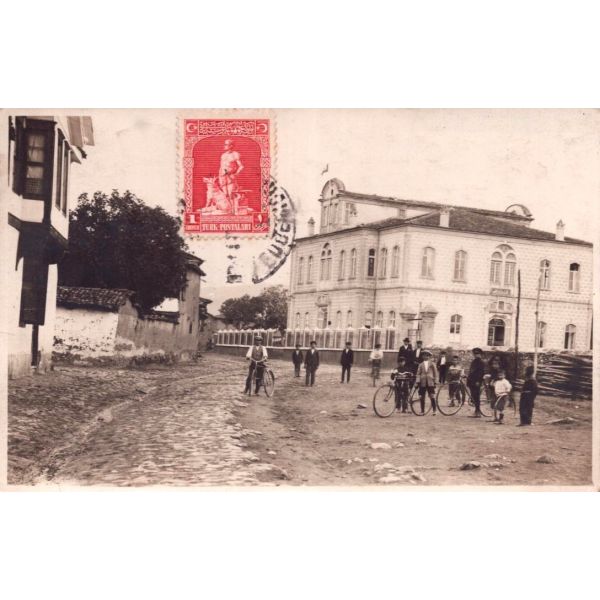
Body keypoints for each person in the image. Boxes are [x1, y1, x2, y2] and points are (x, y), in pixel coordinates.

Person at [415, 349, 438, 415]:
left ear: (429, 356)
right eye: (424, 355)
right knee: (422, 396)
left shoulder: (432, 364)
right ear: (422, 356)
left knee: (432, 396)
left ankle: (434, 410)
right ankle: (422, 411)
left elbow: (435, 373)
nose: (425, 357)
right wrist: (417, 381)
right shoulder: (420, 365)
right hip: (423, 382)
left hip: (430, 382)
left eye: (427, 355)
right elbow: (418, 374)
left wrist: (435, 381)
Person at [467, 347, 485, 417]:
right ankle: (476, 411)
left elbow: (481, 373)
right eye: (475, 354)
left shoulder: (481, 362)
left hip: (477, 381)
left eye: (477, 354)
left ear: (480, 354)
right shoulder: (473, 362)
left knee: (476, 396)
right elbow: (471, 371)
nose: (476, 355)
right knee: (473, 396)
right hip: (471, 380)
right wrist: (468, 377)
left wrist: (479, 381)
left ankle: (478, 412)